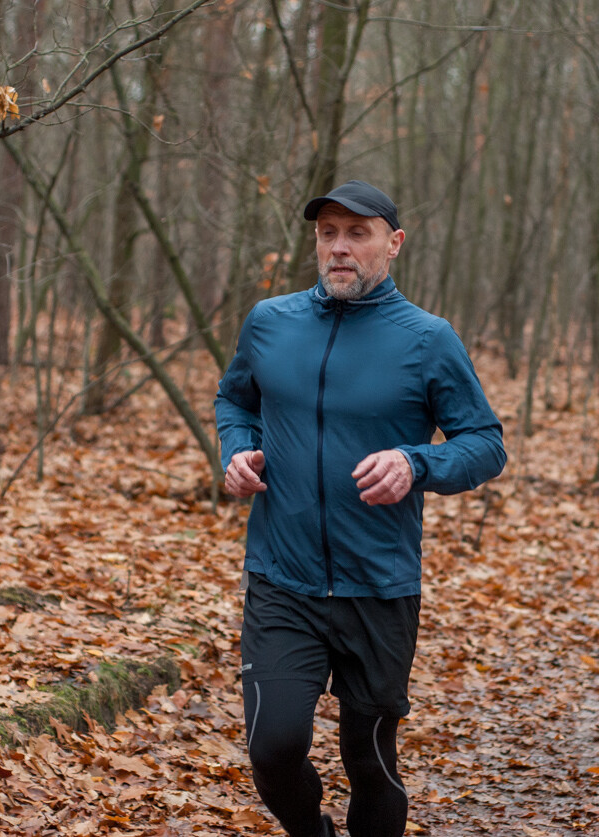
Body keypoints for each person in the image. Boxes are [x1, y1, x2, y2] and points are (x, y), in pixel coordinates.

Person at [215, 180, 506, 837]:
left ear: (393, 243)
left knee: (369, 758)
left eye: (357, 232)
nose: (339, 247)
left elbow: (486, 445)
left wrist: (416, 462)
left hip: (378, 584)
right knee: (272, 747)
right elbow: (236, 400)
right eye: (328, 233)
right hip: (281, 577)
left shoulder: (429, 340)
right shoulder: (270, 322)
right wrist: (238, 449)